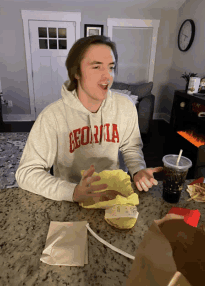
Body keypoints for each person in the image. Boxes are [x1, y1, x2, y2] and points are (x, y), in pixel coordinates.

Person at [15, 35, 163, 204]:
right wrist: (73, 192)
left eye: (111, 67)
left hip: (114, 198)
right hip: (70, 201)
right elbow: (26, 173)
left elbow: (131, 146)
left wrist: (138, 171)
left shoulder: (125, 107)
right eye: (96, 67)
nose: (107, 76)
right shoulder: (52, 117)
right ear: (76, 72)